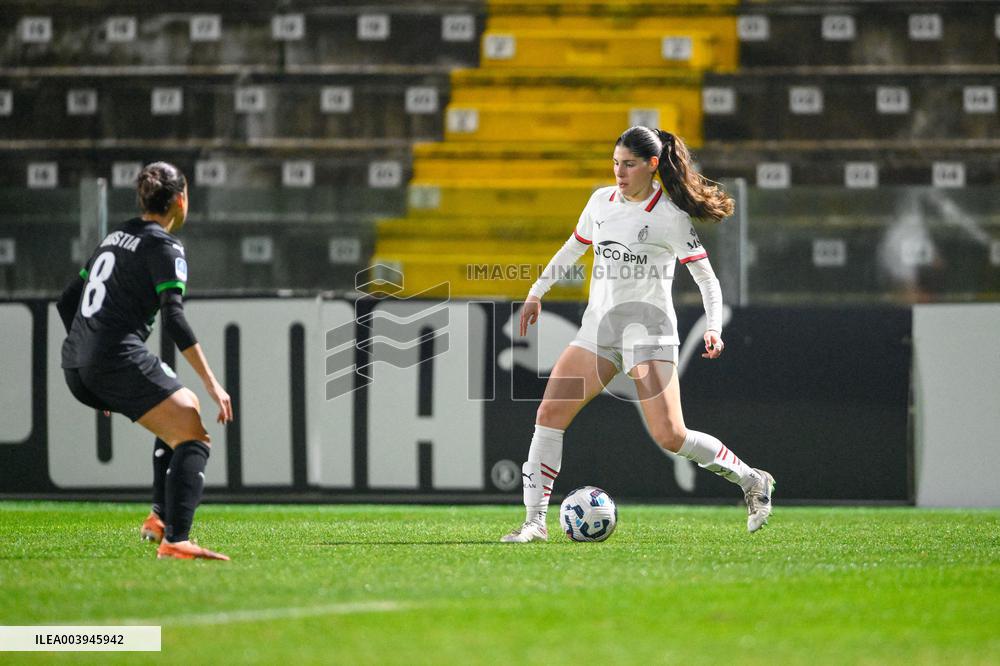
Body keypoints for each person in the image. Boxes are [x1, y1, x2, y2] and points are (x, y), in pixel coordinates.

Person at [501, 127, 775, 543]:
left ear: (652, 165)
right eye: (615, 163)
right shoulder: (600, 202)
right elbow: (573, 247)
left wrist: (714, 328)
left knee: (671, 436)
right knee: (548, 416)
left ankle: (752, 480)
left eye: (629, 164)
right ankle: (534, 522)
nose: (619, 172)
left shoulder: (670, 216)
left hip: (649, 334)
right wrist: (537, 291)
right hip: (599, 331)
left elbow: (708, 280)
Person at [57, 161, 233, 560]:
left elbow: (67, 300)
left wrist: (88, 359)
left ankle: (158, 520)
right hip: (113, 358)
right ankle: (177, 539)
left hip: (76, 365)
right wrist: (212, 382)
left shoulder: (117, 235)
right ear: (181, 199)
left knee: (175, 408)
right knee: (193, 433)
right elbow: (174, 317)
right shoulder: (165, 246)